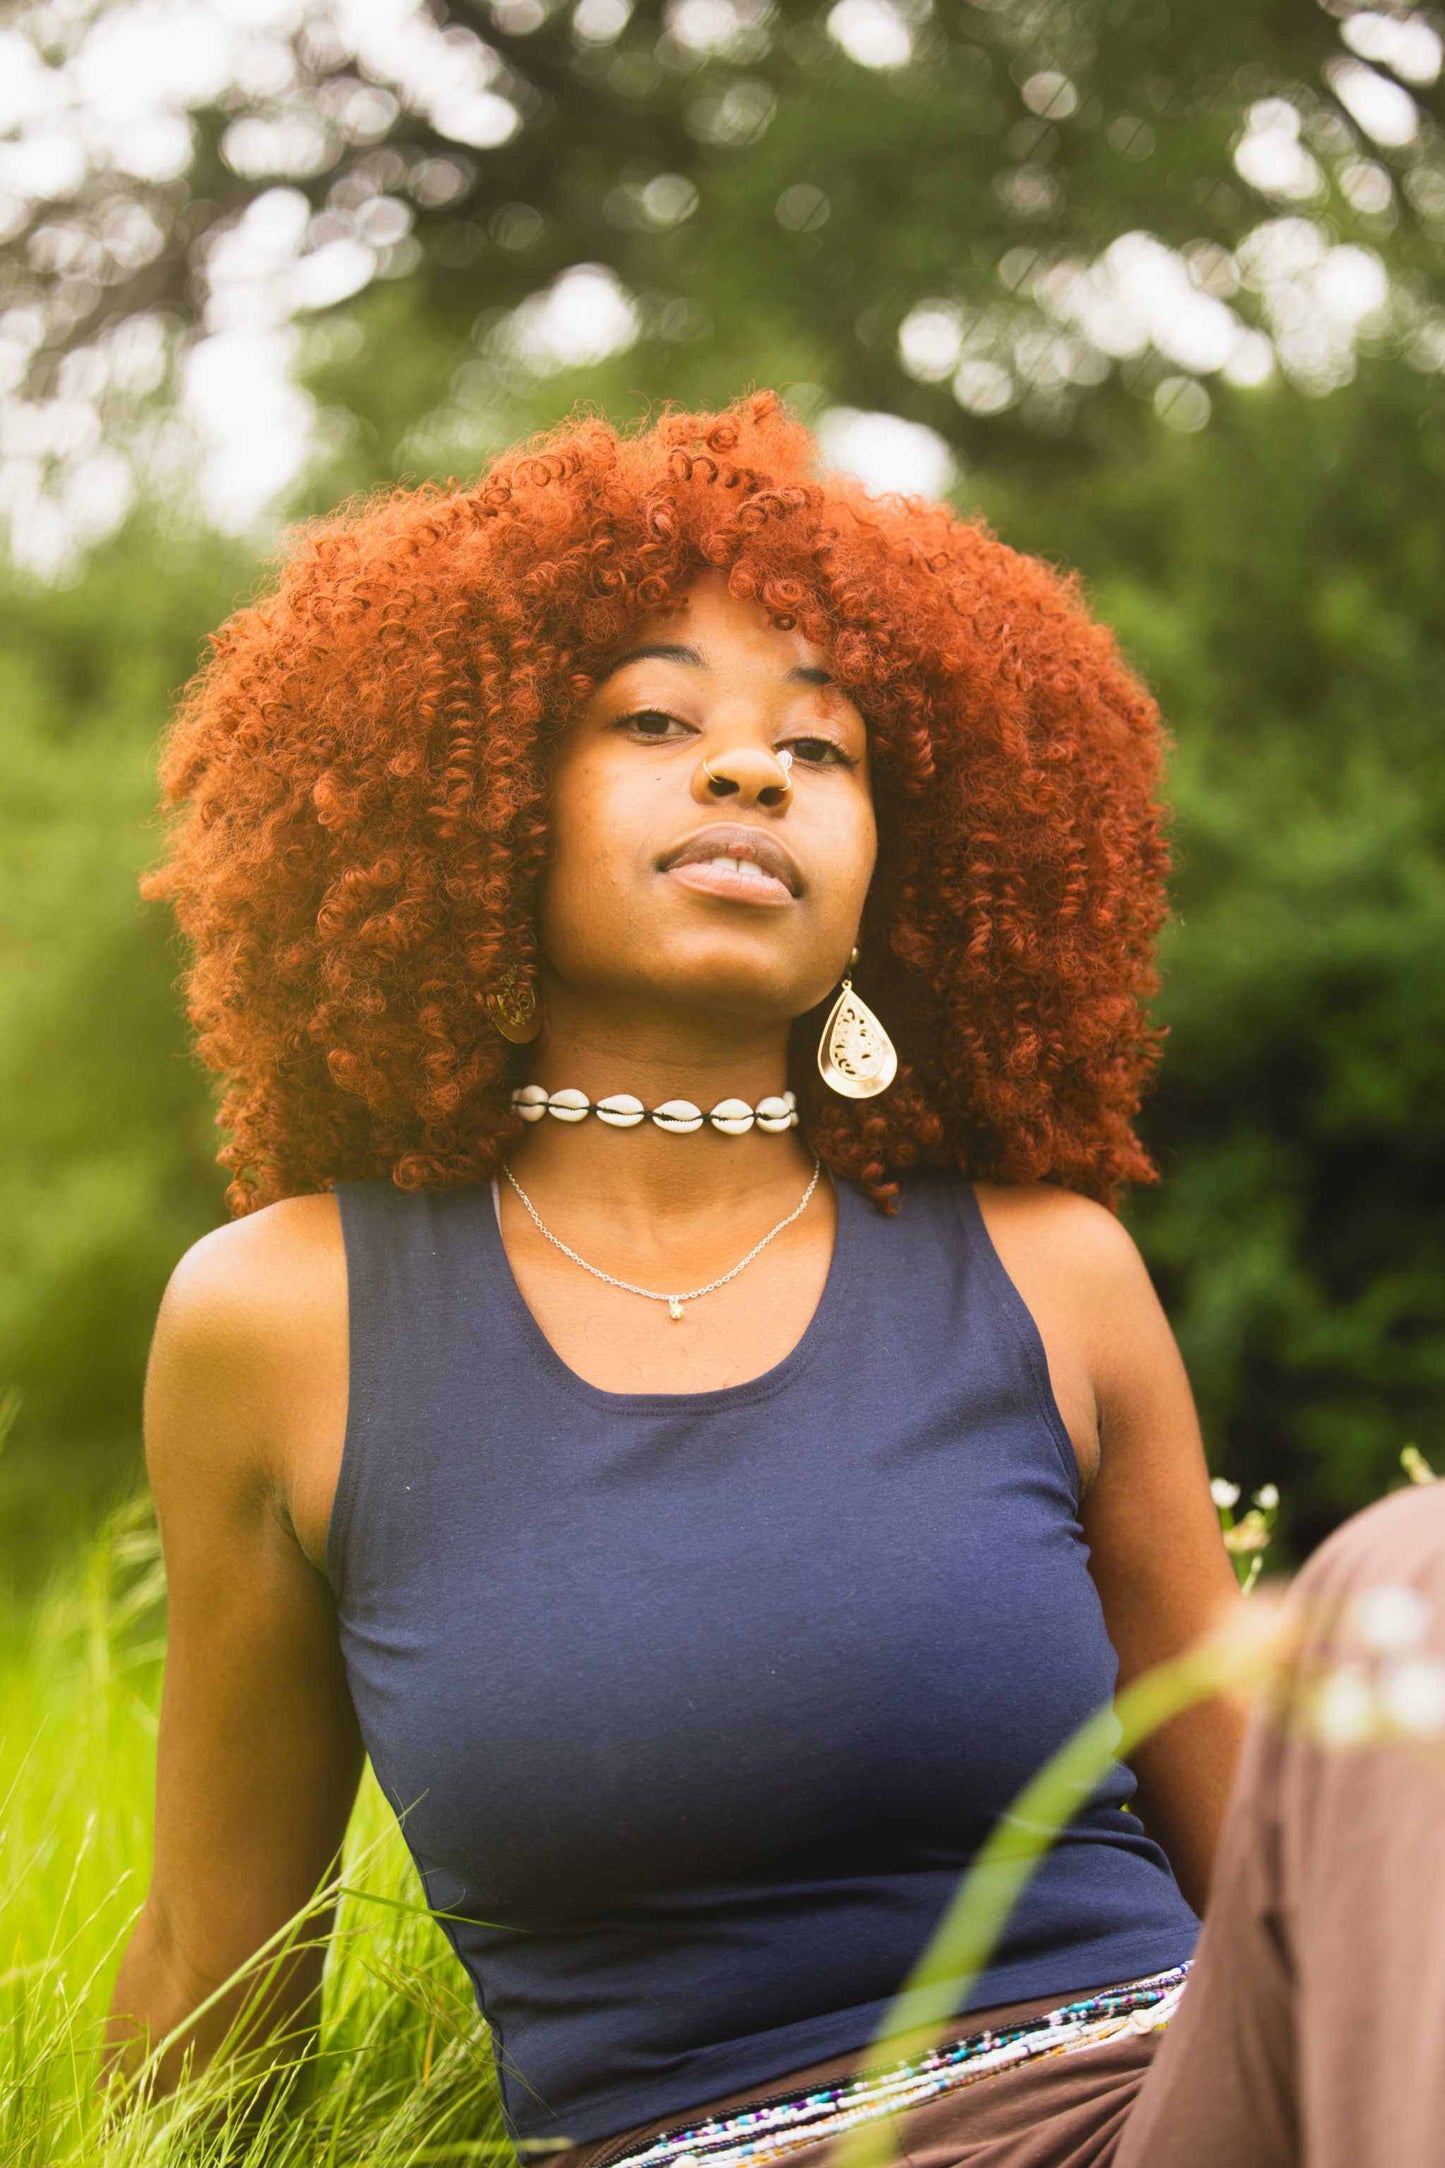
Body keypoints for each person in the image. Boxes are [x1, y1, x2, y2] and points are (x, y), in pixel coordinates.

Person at [102, 390, 1445, 2167]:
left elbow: (1280, 1847)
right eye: (654, 720)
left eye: (824, 748)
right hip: (728, 2141)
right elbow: (220, 1953)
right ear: (480, 804)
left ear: (902, 865)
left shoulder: (1052, 1274)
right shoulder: (287, 1319)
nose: (753, 773)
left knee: (1415, 1575)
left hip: (1175, 2105)